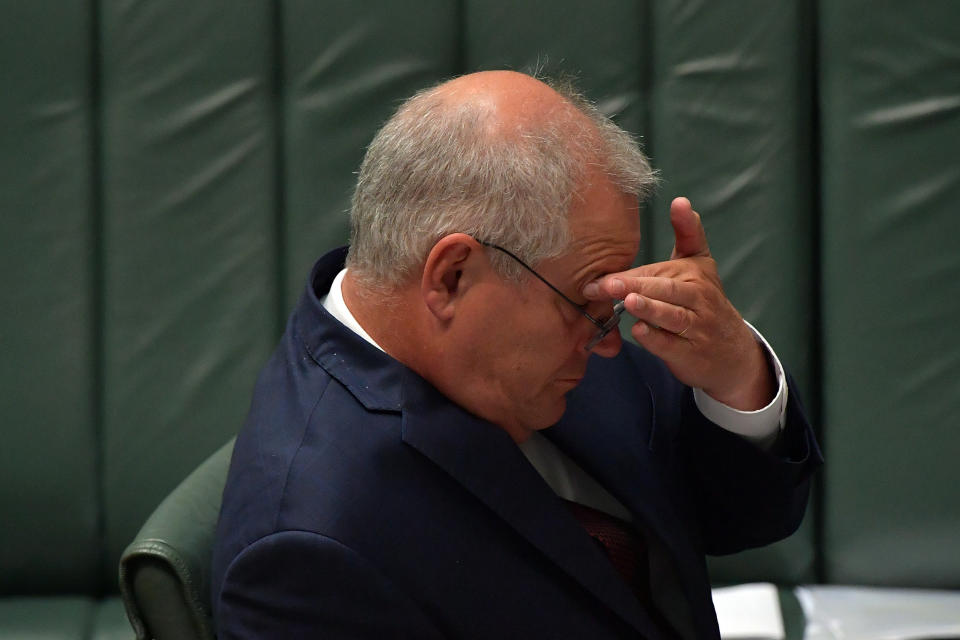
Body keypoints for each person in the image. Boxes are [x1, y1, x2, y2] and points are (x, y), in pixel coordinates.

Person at [211, 70, 821, 639]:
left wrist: (735, 374)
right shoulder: (306, 553)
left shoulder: (537, 310)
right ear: (451, 277)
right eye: (590, 304)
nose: (611, 342)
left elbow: (740, 520)